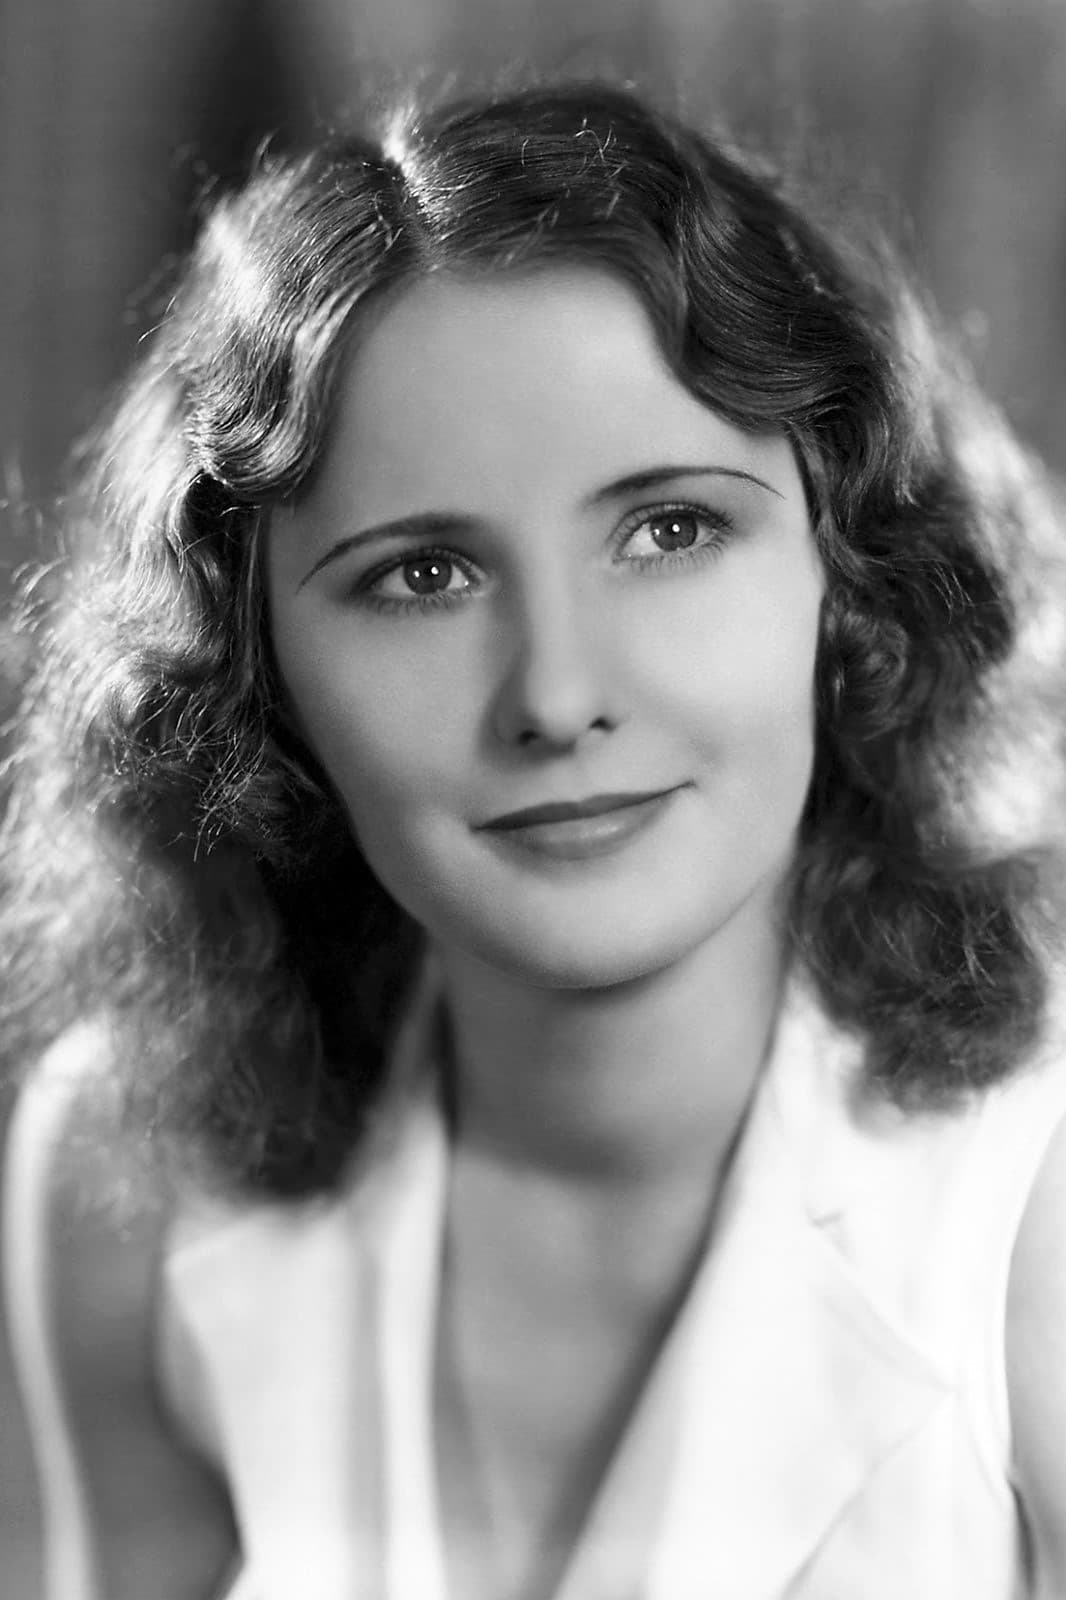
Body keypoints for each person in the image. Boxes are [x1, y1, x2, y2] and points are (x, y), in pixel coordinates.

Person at [3, 76, 1066, 1600]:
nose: (558, 697)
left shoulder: (1026, 1213)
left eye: (671, 530)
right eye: (421, 576)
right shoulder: (124, 1181)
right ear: (249, 673)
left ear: (844, 578)